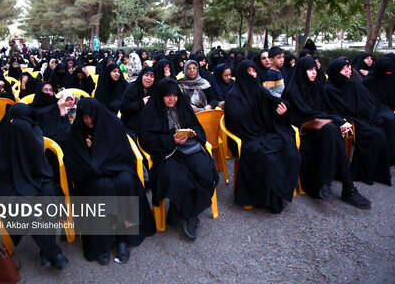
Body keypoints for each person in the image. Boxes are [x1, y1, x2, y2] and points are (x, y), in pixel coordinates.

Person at [64, 98, 156, 265]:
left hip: (117, 168)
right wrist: (89, 151)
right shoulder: (78, 132)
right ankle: (101, 243)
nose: (89, 121)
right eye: (85, 118)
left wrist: (96, 151)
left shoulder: (112, 124)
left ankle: (123, 237)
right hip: (92, 175)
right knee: (101, 187)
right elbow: (75, 162)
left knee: (127, 182)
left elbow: (122, 155)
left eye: (91, 117)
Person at [0, 103, 69, 270]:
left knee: (49, 195)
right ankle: (52, 251)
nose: (20, 127)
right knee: (25, 208)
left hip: (36, 179)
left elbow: (41, 167)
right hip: (7, 185)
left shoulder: (34, 133)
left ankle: (45, 250)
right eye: (16, 122)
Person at [284, 57, 371, 209]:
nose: (313, 73)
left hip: (322, 129)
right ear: (302, 71)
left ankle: (339, 185)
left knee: (332, 132)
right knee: (332, 131)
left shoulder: (317, 86)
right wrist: (335, 121)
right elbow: (307, 113)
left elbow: (328, 110)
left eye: (315, 70)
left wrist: (339, 121)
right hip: (303, 132)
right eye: (309, 70)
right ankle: (345, 187)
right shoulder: (294, 90)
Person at [138, 78, 219, 239]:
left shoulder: (183, 107)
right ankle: (188, 215)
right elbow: (146, 139)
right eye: (167, 96)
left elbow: (197, 126)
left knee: (204, 170)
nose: (172, 99)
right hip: (166, 154)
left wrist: (192, 133)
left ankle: (181, 212)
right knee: (179, 178)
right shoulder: (151, 111)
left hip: (188, 149)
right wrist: (171, 140)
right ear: (160, 96)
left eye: (174, 95)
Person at [225, 60, 301, 213]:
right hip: (245, 136)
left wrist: (280, 113)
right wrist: (255, 126)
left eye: (254, 71)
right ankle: (266, 199)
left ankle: (278, 194)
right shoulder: (233, 96)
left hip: (263, 133)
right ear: (241, 74)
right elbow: (236, 123)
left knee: (288, 148)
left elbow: (270, 114)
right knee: (267, 156)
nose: (253, 74)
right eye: (249, 72)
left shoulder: (260, 91)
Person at [325, 58, 395, 185]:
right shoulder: (330, 89)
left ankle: (378, 170)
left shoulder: (351, 82)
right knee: (375, 135)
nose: (348, 71)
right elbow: (333, 109)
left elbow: (366, 99)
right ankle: (364, 173)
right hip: (349, 119)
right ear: (336, 71)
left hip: (363, 115)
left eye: (348, 67)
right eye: (343, 69)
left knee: (386, 122)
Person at [30, 81, 71, 149]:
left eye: (51, 90)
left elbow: (66, 127)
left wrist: (62, 109)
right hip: (39, 142)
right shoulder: (32, 108)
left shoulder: (58, 105)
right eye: (45, 90)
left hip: (58, 141)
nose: (48, 92)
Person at [120, 66, 155, 139]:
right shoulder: (132, 88)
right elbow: (123, 108)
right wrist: (141, 103)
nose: (149, 78)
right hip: (131, 126)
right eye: (146, 75)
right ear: (141, 76)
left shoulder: (155, 90)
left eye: (152, 76)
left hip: (150, 127)